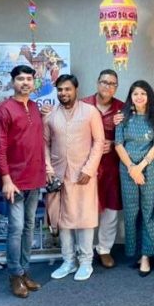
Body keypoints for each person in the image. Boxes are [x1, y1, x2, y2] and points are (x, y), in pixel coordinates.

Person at [0, 65, 47, 298]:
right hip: (14, 181)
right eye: (20, 79)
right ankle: (14, 275)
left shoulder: (34, 107)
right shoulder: (2, 111)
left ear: (34, 82)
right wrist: (5, 179)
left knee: (29, 225)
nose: (25, 82)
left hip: (35, 178)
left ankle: (24, 271)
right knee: (16, 228)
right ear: (13, 82)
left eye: (29, 79)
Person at [44, 74, 104, 281]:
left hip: (83, 174)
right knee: (62, 220)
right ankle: (68, 261)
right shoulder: (50, 115)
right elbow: (44, 144)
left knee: (84, 217)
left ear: (76, 90)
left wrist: (89, 170)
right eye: (60, 90)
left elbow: (99, 142)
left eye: (67, 89)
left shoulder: (90, 112)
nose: (63, 93)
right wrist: (48, 170)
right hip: (58, 176)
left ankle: (86, 262)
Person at [115, 80, 154, 276]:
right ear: (131, 97)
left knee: (149, 210)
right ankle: (135, 251)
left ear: (148, 96)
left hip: (149, 169)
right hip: (127, 170)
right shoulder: (123, 117)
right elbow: (118, 144)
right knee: (131, 211)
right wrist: (132, 168)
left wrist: (141, 167)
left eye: (143, 93)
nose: (139, 97)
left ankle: (146, 255)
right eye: (135, 94)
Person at [82, 69, 124, 269]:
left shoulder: (122, 108)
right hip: (86, 166)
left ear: (116, 87)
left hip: (112, 166)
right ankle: (85, 249)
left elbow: (131, 135)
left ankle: (105, 249)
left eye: (112, 84)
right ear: (97, 83)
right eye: (105, 82)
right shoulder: (83, 105)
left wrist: (114, 143)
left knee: (111, 209)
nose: (108, 86)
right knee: (86, 208)